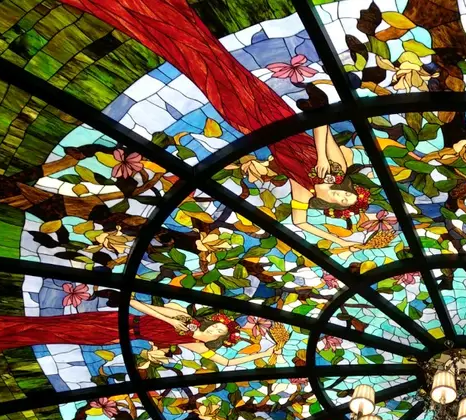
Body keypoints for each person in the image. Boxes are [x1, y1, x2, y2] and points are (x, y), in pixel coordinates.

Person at [60, 0, 371, 249]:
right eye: (347, 194)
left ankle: (161, 29)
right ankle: (170, 20)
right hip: (274, 113)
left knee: (207, 77)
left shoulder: (304, 188)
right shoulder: (339, 166)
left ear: (330, 206)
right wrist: (322, 159)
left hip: (249, 126)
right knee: (223, 68)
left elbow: (300, 223)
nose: (342, 196)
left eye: (342, 202)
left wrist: (339, 239)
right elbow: (321, 125)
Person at [0, 300, 276, 381]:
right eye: (214, 328)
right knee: (40, 325)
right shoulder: (181, 315)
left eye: (217, 336)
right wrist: (173, 320)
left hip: (114, 336)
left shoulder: (192, 345)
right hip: (114, 321)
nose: (212, 334)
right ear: (210, 323)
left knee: (40, 333)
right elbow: (140, 304)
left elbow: (227, 363)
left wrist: (267, 351)